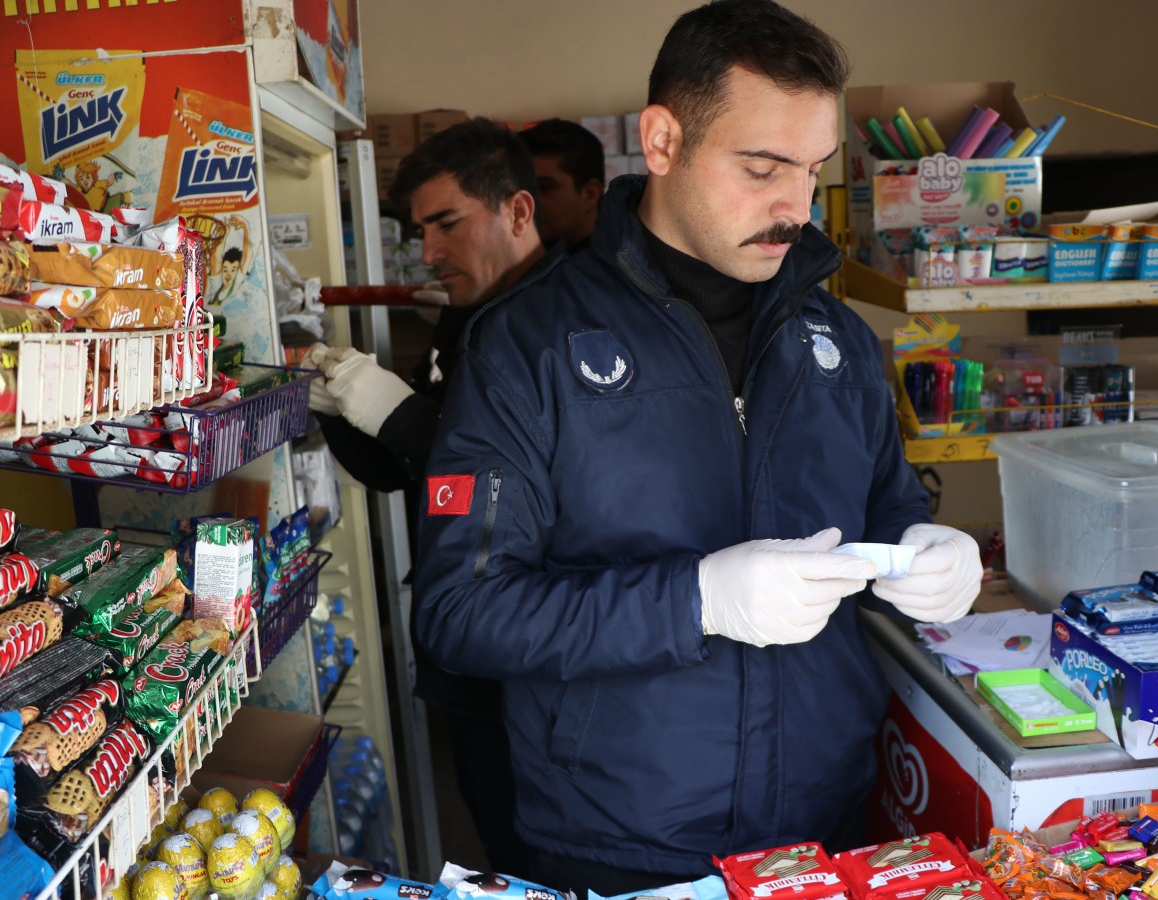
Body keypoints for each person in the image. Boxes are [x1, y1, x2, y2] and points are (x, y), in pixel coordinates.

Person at [411, 2, 982, 895]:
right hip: (622, 844)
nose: (796, 205)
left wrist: (927, 553)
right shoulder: (527, 345)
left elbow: (888, 504)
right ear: (664, 140)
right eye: (761, 167)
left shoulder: (835, 339)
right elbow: (462, 613)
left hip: (829, 822)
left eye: (813, 169)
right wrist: (696, 601)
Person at [307, 116, 557, 877]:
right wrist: (338, 407)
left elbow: (521, 486)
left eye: (447, 224)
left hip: (535, 659)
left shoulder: (559, 325)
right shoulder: (472, 315)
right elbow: (404, 469)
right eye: (420, 231)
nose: (430, 252)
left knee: (536, 852)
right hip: (470, 644)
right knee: (496, 842)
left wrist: (397, 412)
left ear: (517, 212)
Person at [518, 119, 605, 253]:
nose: (528, 202)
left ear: (590, 195)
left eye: (544, 187)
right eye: (523, 188)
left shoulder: (617, 266)